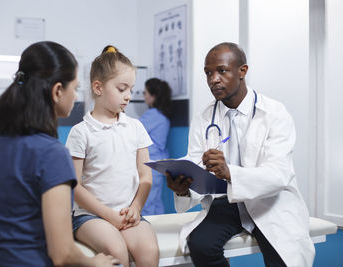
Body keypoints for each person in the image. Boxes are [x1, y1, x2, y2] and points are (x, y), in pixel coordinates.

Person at [166, 42, 315, 267]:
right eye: (208, 73)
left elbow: (279, 174)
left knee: (283, 256)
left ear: (242, 71)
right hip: (227, 202)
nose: (213, 79)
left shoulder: (274, 114)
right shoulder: (204, 117)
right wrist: (185, 188)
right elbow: (195, 164)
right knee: (201, 246)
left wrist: (230, 173)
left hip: (270, 202)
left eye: (221, 71)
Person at [0, 41, 119, 267]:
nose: (76, 96)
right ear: (58, 91)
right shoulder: (51, 154)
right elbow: (63, 254)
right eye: (75, 88)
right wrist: (95, 262)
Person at [65, 45, 159, 267]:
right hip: (90, 217)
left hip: (128, 213)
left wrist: (135, 208)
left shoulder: (135, 128)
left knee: (149, 250)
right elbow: (75, 186)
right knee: (117, 250)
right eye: (121, 89)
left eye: (131, 90)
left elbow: (145, 177)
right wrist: (108, 214)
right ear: (98, 87)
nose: (128, 96)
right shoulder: (81, 132)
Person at [139, 78, 172, 215]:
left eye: (145, 92)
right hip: (159, 163)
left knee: (147, 203)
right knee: (156, 201)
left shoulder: (152, 116)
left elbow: (134, 131)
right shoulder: (163, 116)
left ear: (153, 96)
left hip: (150, 164)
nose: (144, 96)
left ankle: (148, 233)